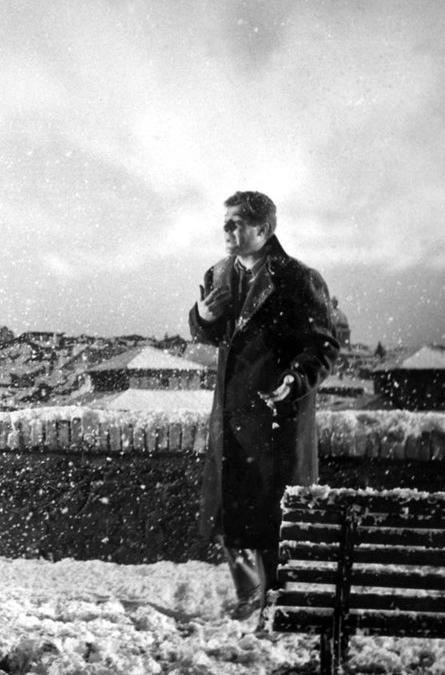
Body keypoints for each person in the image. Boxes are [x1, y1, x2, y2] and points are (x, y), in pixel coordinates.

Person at [189, 191, 338, 620]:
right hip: (232, 417)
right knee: (229, 517)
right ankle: (247, 597)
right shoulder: (219, 274)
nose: (227, 232)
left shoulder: (298, 279)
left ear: (264, 229)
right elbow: (209, 334)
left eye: (236, 223)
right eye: (225, 223)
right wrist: (202, 315)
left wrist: (295, 380)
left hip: (276, 419)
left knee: (272, 522)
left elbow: (323, 346)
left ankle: (276, 603)